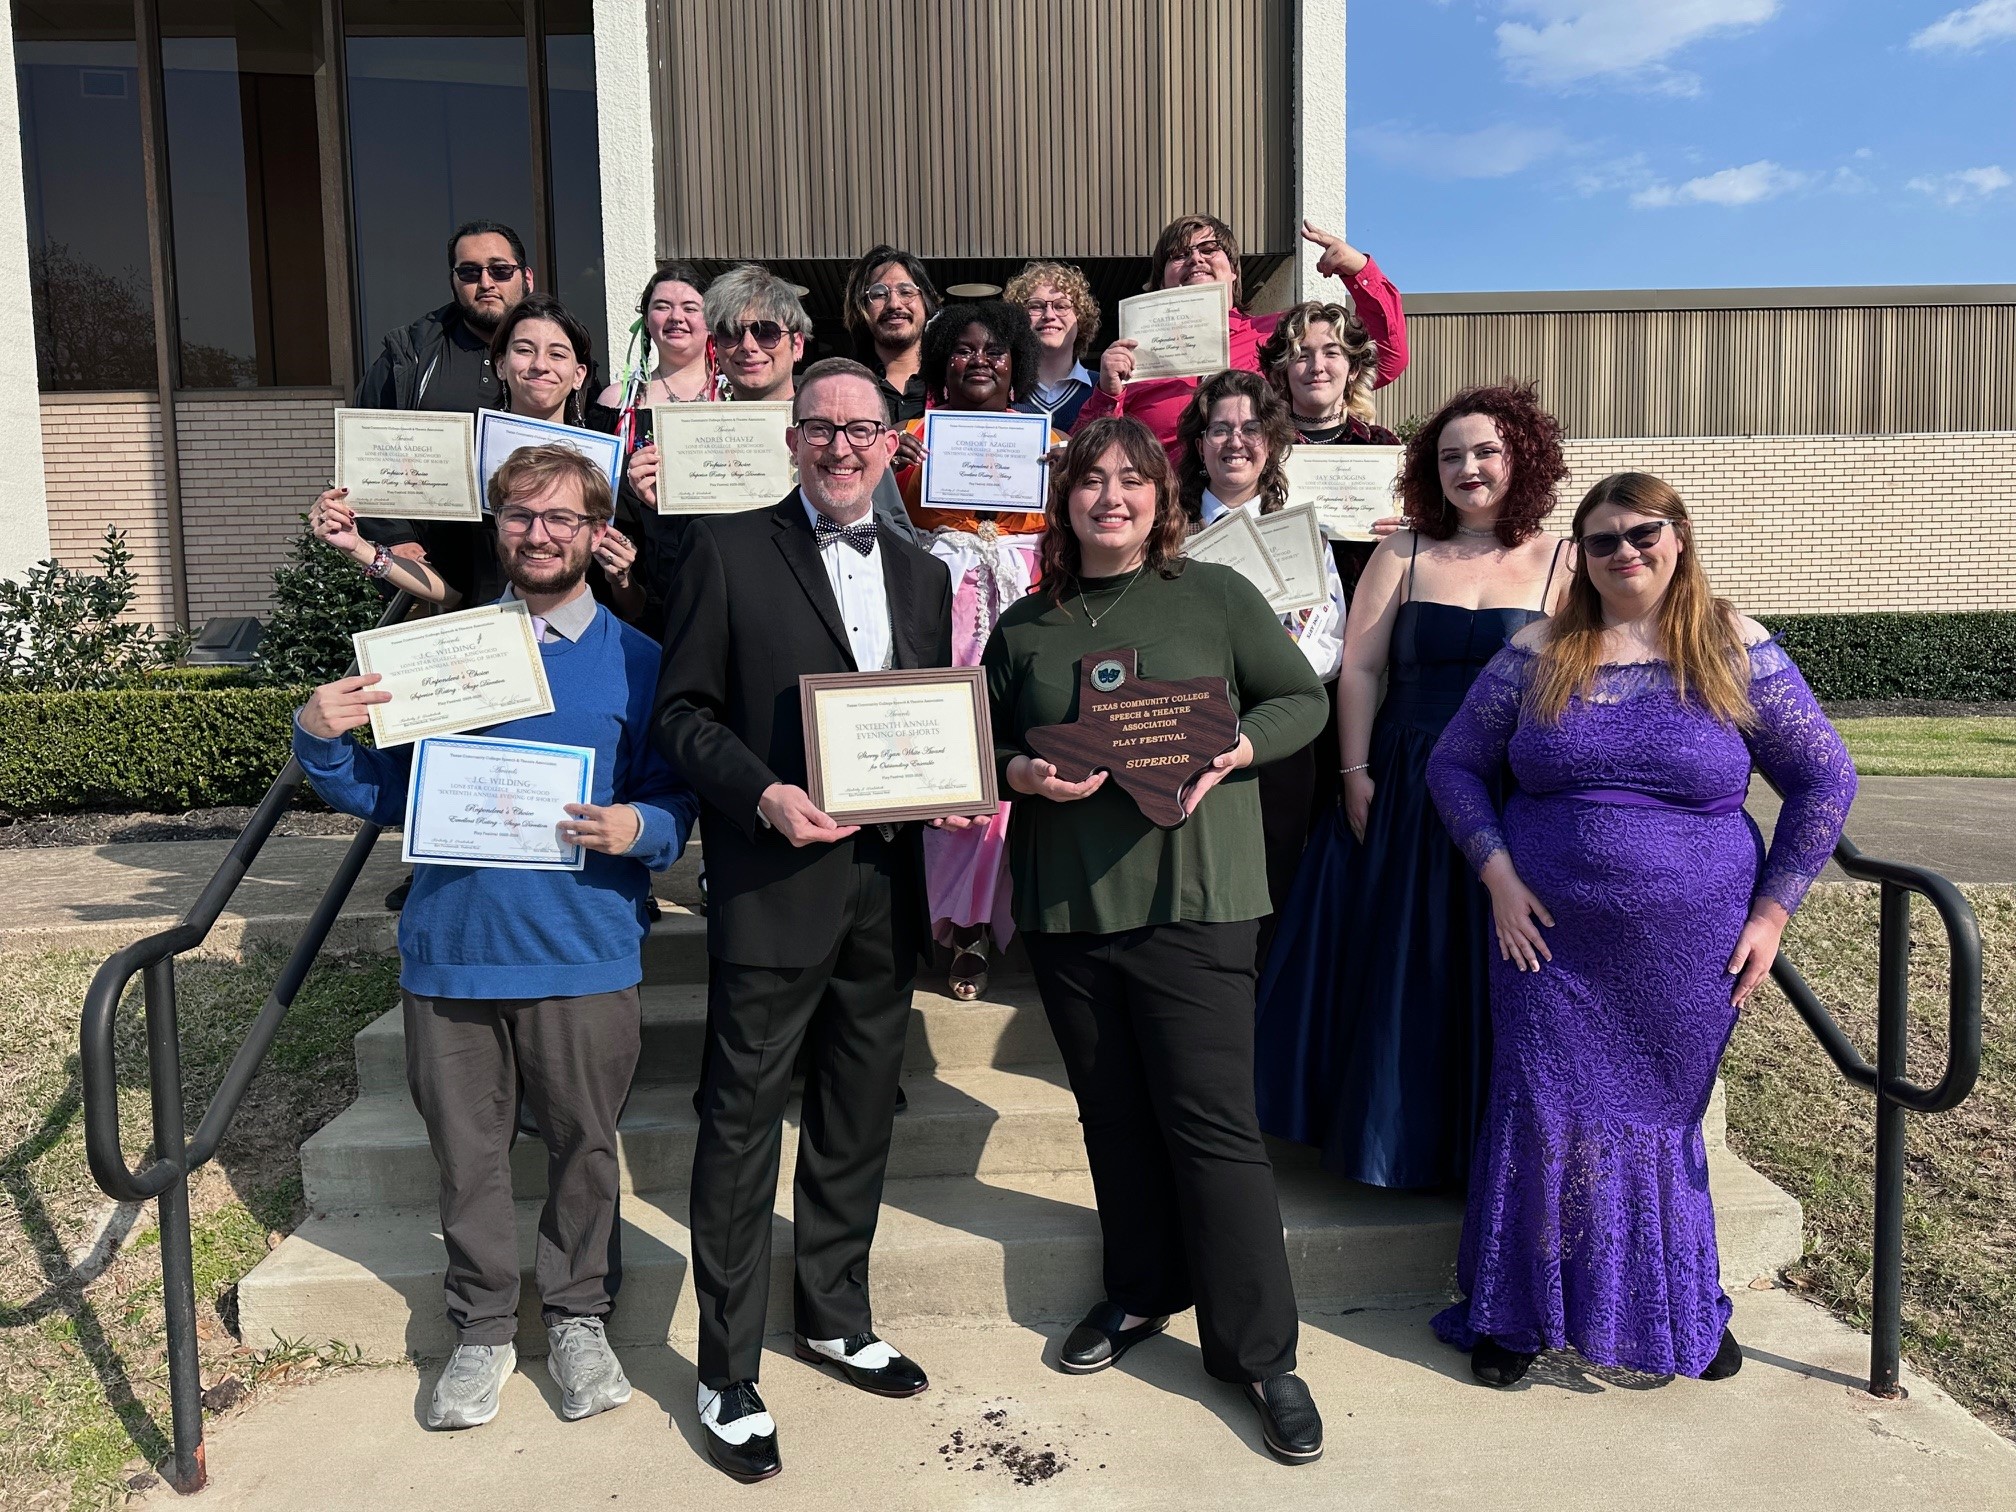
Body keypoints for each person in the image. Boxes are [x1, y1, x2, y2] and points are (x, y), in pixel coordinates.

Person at [291, 444, 697, 1432]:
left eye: (561, 517)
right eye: (520, 515)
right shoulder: (447, 651)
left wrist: (641, 827)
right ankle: (479, 1329)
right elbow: (391, 795)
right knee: (466, 1157)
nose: (539, 534)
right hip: (454, 948)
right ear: (498, 527)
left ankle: (578, 1315)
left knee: (584, 1148)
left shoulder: (642, 663)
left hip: (583, 948)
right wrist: (319, 736)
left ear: (597, 533)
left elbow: (678, 797)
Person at [1426, 472, 1856, 1384]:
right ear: (1579, 555)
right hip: (1547, 940)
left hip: (1691, 945)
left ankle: (1676, 1305)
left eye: (1642, 533)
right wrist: (1497, 877)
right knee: (1543, 1113)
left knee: (1660, 1120)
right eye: (1602, 540)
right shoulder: (1541, 649)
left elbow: (1825, 779)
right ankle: (1517, 1314)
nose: (1624, 551)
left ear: (1679, 537)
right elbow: (1454, 764)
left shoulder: (1734, 646)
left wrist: (1773, 912)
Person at [981, 416, 1329, 1465]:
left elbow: (1301, 698)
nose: (1111, 497)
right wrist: (1020, 774)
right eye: (1090, 479)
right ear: (1065, 499)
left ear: (1160, 497)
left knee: (1214, 1130)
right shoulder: (1027, 624)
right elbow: (982, 744)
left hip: (1197, 901)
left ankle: (1260, 1355)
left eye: (1131, 479)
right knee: (1114, 1119)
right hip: (1070, 910)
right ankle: (1140, 1292)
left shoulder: (1214, 596)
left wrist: (1236, 752)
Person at [652, 358, 957, 1484]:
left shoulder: (925, 573)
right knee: (740, 1128)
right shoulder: (728, 550)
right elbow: (681, 715)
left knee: (857, 1112)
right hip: (775, 883)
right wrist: (763, 794)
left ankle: (834, 1314)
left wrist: (952, 782)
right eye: (821, 428)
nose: (841, 447)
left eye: (861, 429)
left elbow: (923, 718)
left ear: (891, 444)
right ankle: (727, 1372)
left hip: (886, 885)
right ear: (791, 442)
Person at [1253, 383, 1573, 1191]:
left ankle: (1486, 1147)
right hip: (1404, 778)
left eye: (1487, 451)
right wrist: (1353, 771)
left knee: (1490, 959)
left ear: (1523, 458)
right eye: (1451, 455)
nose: (1469, 468)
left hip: (1510, 786)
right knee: (1400, 964)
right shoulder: (1404, 552)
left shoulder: (1566, 560)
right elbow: (1360, 668)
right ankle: (1388, 1142)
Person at [892, 299, 1062, 999]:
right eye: (963, 349)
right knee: (954, 762)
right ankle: (958, 923)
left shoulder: (1052, 442)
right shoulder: (908, 440)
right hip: (941, 618)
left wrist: (1070, 472)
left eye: (996, 350)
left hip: (1028, 610)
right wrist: (889, 470)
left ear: (1018, 363)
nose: (980, 360)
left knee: (1021, 760)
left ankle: (1009, 919)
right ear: (941, 364)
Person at [314, 293, 642, 623]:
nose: (540, 365)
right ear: (500, 365)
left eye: (556, 354)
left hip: (584, 640)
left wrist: (622, 580)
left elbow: (637, 606)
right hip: (492, 638)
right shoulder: (464, 464)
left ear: (579, 374)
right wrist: (357, 547)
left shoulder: (609, 469)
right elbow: (451, 587)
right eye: (524, 350)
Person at [622, 266, 918, 626]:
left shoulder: (843, 431)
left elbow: (904, 545)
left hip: (833, 622)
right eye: (731, 333)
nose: (748, 346)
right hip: (737, 627)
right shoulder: (694, 443)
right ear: (717, 347)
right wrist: (661, 509)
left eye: (766, 332)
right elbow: (677, 581)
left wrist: (845, 514)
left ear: (797, 345)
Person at [1174, 369, 1347, 962]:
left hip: (1277, 734)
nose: (1235, 441)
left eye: (1250, 428)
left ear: (1270, 443)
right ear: (1200, 445)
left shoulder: (1303, 533)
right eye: (1219, 429)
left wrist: (1270, 672)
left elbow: (1330, 639)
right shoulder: (1168, 531)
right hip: (1188, 728)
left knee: (1276, 876)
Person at [1076, 216, 1408, 457]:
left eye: (1209, 249)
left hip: (1258, 509)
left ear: (1234, 271)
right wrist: (1108, 393)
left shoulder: (1278, 334)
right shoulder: (1134, 357)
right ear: (1162, 281)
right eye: (1178, 255)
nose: (1195, 259)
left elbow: (1387, 359)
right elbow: (1088, 450)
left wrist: (1359, 271)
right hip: (1168, 516)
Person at [589, 260, 718, 454]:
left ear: (710, 322)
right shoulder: (617, 401)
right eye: (662, 307)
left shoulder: (737, 396)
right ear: (646, 321)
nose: (676, 317)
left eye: (690, 308)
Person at [842, 244, 940, 425]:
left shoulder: (949, 384)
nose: (894, 304)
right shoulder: (844, 388)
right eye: (879, 294)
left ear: (926, 302)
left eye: (906, 291)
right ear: (862, 308)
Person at [1004, 260, 1101, 430]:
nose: (1049, 315)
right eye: (1036, 306)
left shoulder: (1103, 388)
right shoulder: (1002, 390)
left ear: (1081, 318)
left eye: (1061, 306)